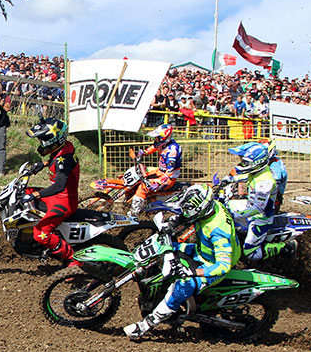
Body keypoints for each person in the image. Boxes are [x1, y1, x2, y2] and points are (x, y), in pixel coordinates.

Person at [123, 184, 240, 338]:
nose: (186, 211)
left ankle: (145, 325)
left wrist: (193, 272)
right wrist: (174, 223)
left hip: (211, 265)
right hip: (202, 250)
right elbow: (188, 215)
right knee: (164, 249)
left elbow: (223, 265)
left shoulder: (218, 231)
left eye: (188, 209)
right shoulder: (211, 207)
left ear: (200, 208)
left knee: (181, 287)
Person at [22, 118, 81, 266]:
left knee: (41, 234)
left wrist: (36, 195)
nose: (40, 143)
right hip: (57, 196)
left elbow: (60, 185)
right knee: (22, 192)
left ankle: (73, 261)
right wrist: (44, 164)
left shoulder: (63, 158)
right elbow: (60, 163)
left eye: (42, 139)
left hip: (64, 200)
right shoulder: (63, 148)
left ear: (52, 140)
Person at [223, 142, 290, 261]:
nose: (241, 162)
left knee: (250, 253)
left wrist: (235, 214)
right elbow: (247, 176)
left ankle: (286, 248)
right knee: (224, 205)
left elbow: (257, 209)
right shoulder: (257, 172)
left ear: (255, 162)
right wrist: (230, 179)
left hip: (261, 217)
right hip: (250, 206)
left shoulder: (265, 183)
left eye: (244, 160)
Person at [129, 123, 183, 216]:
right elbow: (154, 147)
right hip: (160, 171)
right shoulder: (164, 144)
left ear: (165, 137)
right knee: (139, 174)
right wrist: (144, 152)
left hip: (168, 178)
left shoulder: (172, 151)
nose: (156, 139)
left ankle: (133, 214)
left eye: (158, 138)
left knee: (143, 188)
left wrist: (159, 182)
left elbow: (170, 171)